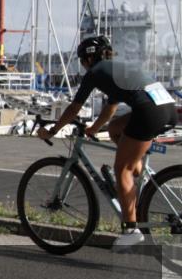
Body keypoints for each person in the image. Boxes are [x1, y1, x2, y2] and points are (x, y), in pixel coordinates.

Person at [37, 35, 178, 250]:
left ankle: (131, 230)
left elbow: (74, 107)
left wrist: (53, 130)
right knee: (115, 129)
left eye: (82, 60)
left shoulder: (95, 73)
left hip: (149, 112)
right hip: (168, 108)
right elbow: (111, 109)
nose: (83, 65)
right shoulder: (116, 69)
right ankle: (136, 168)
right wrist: (93, 129)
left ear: (88, 58)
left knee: (122, 169)